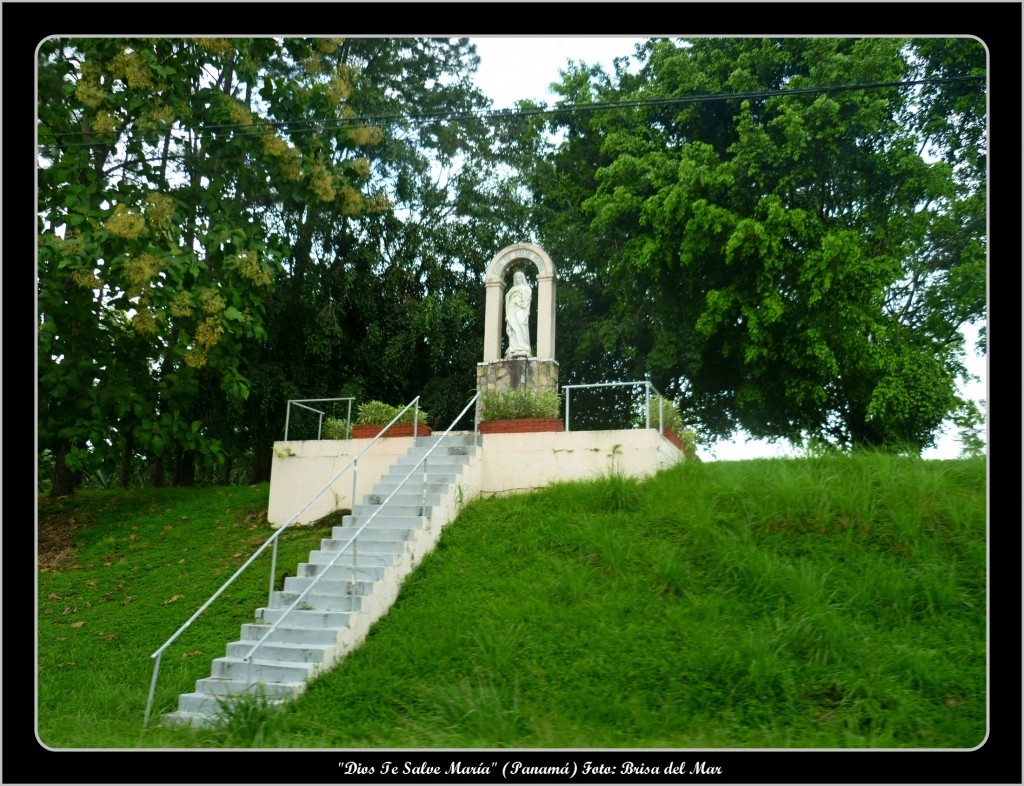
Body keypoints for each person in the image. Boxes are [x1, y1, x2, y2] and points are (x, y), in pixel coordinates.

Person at [504, 271, 532, 357]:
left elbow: (527, 298)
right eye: (515, 278)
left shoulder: (526, 288)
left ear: (522, 278)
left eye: (519, 277)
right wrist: (514, 293)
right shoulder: (512, 289)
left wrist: (519, 299)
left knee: (521, 323)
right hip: (512, 308)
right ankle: (513, 346)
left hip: (521, 309)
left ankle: (523, 345)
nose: (517, 279)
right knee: (512, 326)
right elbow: (507, 297)